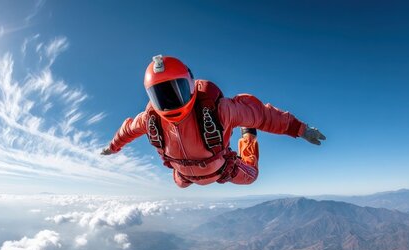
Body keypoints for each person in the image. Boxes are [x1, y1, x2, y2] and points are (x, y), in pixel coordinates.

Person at [100, 55, 326, 188]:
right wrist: (113, 147)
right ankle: (188, 176)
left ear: (190, 85)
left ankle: (248, 134)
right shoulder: (150, 120)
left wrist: (300, 129)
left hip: (220, 171)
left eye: (176, 91)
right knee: (181, 183)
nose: (170, 101)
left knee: (251, 176)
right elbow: (126, 131)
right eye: (161, 95)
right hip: (185, 175)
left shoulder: (220, 110)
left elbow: (264, 116)